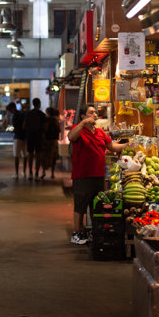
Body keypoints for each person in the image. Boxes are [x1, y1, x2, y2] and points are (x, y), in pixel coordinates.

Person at [68, 104, 127, 245]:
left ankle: (95, 232)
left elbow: (112, 147)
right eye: (91, 112)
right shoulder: (78, 130)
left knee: (97, 206)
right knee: (80, 207)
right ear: (83, 116)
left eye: (95, 113)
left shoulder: (100, 132)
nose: (95, 115)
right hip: (82, 176)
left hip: (98, 176)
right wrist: (82, 124)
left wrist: (128, 145)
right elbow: (71, 137)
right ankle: (77, 233)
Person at [23, 97, 46, 180]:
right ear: (39, 104)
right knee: (38, 155)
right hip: (39, 136)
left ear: (33, 104)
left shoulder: (28, 114)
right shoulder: (42, 115)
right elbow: (45, 127)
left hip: (30, 136)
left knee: (30, 154)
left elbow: (24, 126)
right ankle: (36, 173)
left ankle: (30, 173)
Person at [5, 102, 27, 180]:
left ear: (12, 108)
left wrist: (11, 131)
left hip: (17, 137)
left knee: (16, 156)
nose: (10, 112)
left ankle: (16, 173)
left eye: (10, 110)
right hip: (25, 137)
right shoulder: (23, 114)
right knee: (25, 155)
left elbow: (16, 128)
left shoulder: (15, 116)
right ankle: (24, 172)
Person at [40, 107, 61, 180]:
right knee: (53, 157)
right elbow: (59, 130)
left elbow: (43, 130)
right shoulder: (56, 121)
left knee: (44, 156)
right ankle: (52, 173)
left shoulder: (46, 121)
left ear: (48, 113)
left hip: (46, 141)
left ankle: (43, 172)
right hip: (54, 141)